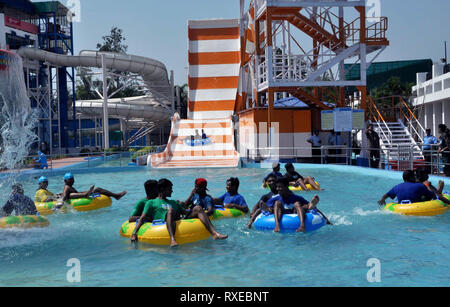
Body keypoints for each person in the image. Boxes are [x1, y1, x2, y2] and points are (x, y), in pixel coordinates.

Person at [132, 179, 228, 247]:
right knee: (170, 211)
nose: (172, 191)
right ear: (162, 190)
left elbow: (185, 212)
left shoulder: (173, 202)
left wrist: (195, 209)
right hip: (163, 223)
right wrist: (134, 233)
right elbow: (142, 217)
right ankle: (172, 239)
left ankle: (215, 233)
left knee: (197, 208)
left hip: (179, 220)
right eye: (170, 189)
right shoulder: (151, 202)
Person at [266, 177, 331, 233]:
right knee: (277, 203)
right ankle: (277, 225)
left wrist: (326, 219)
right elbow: (265, 209)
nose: (277, 189)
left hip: (294, 212)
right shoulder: (276, 198)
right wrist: (266, 209)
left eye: (280, 187)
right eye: (277, 187)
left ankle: (302, 225)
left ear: (286, 186)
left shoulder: (295, 197)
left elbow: (316, 209)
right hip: (282, 212)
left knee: (298, 204)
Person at [61, 173, 127, 203]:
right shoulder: (67, 187)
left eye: (72, 179)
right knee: (97, 189)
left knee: (97, 189)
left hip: (82, 195)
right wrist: (60, 203)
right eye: (70, 179)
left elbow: (77, 193)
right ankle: (116, 196)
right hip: (82, 196)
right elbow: (64, 195)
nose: (72, 181)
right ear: (65, 181)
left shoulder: (69, 187)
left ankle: (116, 196)